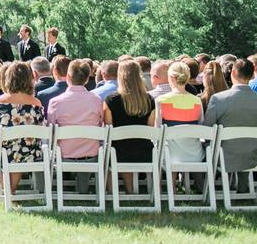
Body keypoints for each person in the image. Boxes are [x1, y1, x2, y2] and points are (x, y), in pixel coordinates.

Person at [203, 58, 257, 177]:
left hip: (225, 156)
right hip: (255, 155)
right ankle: (242, 188)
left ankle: (206, 185)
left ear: (233, 73)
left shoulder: (218, 99)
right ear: (252, 76)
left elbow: (207, 130)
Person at [47, 59, 104, 193]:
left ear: (67, 77)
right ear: (86, 80)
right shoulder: (97, 100)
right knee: (86, 143)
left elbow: (51, 130)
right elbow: (101, 124)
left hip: (64, 154)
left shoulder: (55, 102)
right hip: (91, 154)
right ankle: (82, 189)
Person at [104, 61, 155, 193]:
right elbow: (150, 129)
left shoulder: (111, 100)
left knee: (111, 147)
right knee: (131, 144)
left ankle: (121, 190)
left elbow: (108, 129)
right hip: (145, 152)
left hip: (118, 153)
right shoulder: (150, 100)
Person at [156, 61, 205, 163]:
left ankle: (171, 179)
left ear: (172, 78)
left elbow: (158, 130)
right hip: (195, 154)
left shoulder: (161, 100)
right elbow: (201, 126)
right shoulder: (197, 101)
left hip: (170, 156)